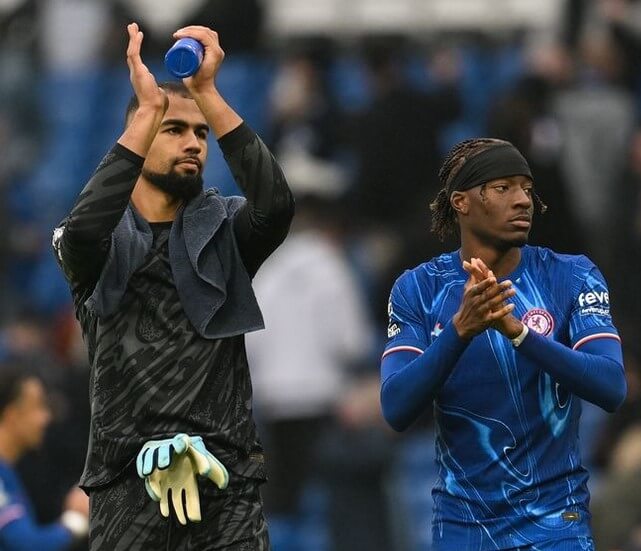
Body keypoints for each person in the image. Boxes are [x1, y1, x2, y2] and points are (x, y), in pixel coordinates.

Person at [52, 22, 294, 550]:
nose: (193, 143)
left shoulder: (224, 228)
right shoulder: (95, 242)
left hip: (226, 481)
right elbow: (83, 231)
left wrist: (207, 93)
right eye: (173, 129)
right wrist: (145, 114)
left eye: (199, 132)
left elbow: (276, 207)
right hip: (125, 485)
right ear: (139, 138)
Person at [380, 138, 627, 551]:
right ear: (461, 202)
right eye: (503, 188)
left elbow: (611, 386)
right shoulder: (418, 289)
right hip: (463, 527)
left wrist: (519, 333)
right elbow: (396, 407)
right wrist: (461, 331)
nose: (522, 201)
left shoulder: (572, 276)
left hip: (556, 525)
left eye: (527, 189)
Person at [0, 364, 89, 550]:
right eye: (38, 406)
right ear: (12, 415)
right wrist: (76, 519)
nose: (46, 418)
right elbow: (26, 545)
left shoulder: (9, 473)